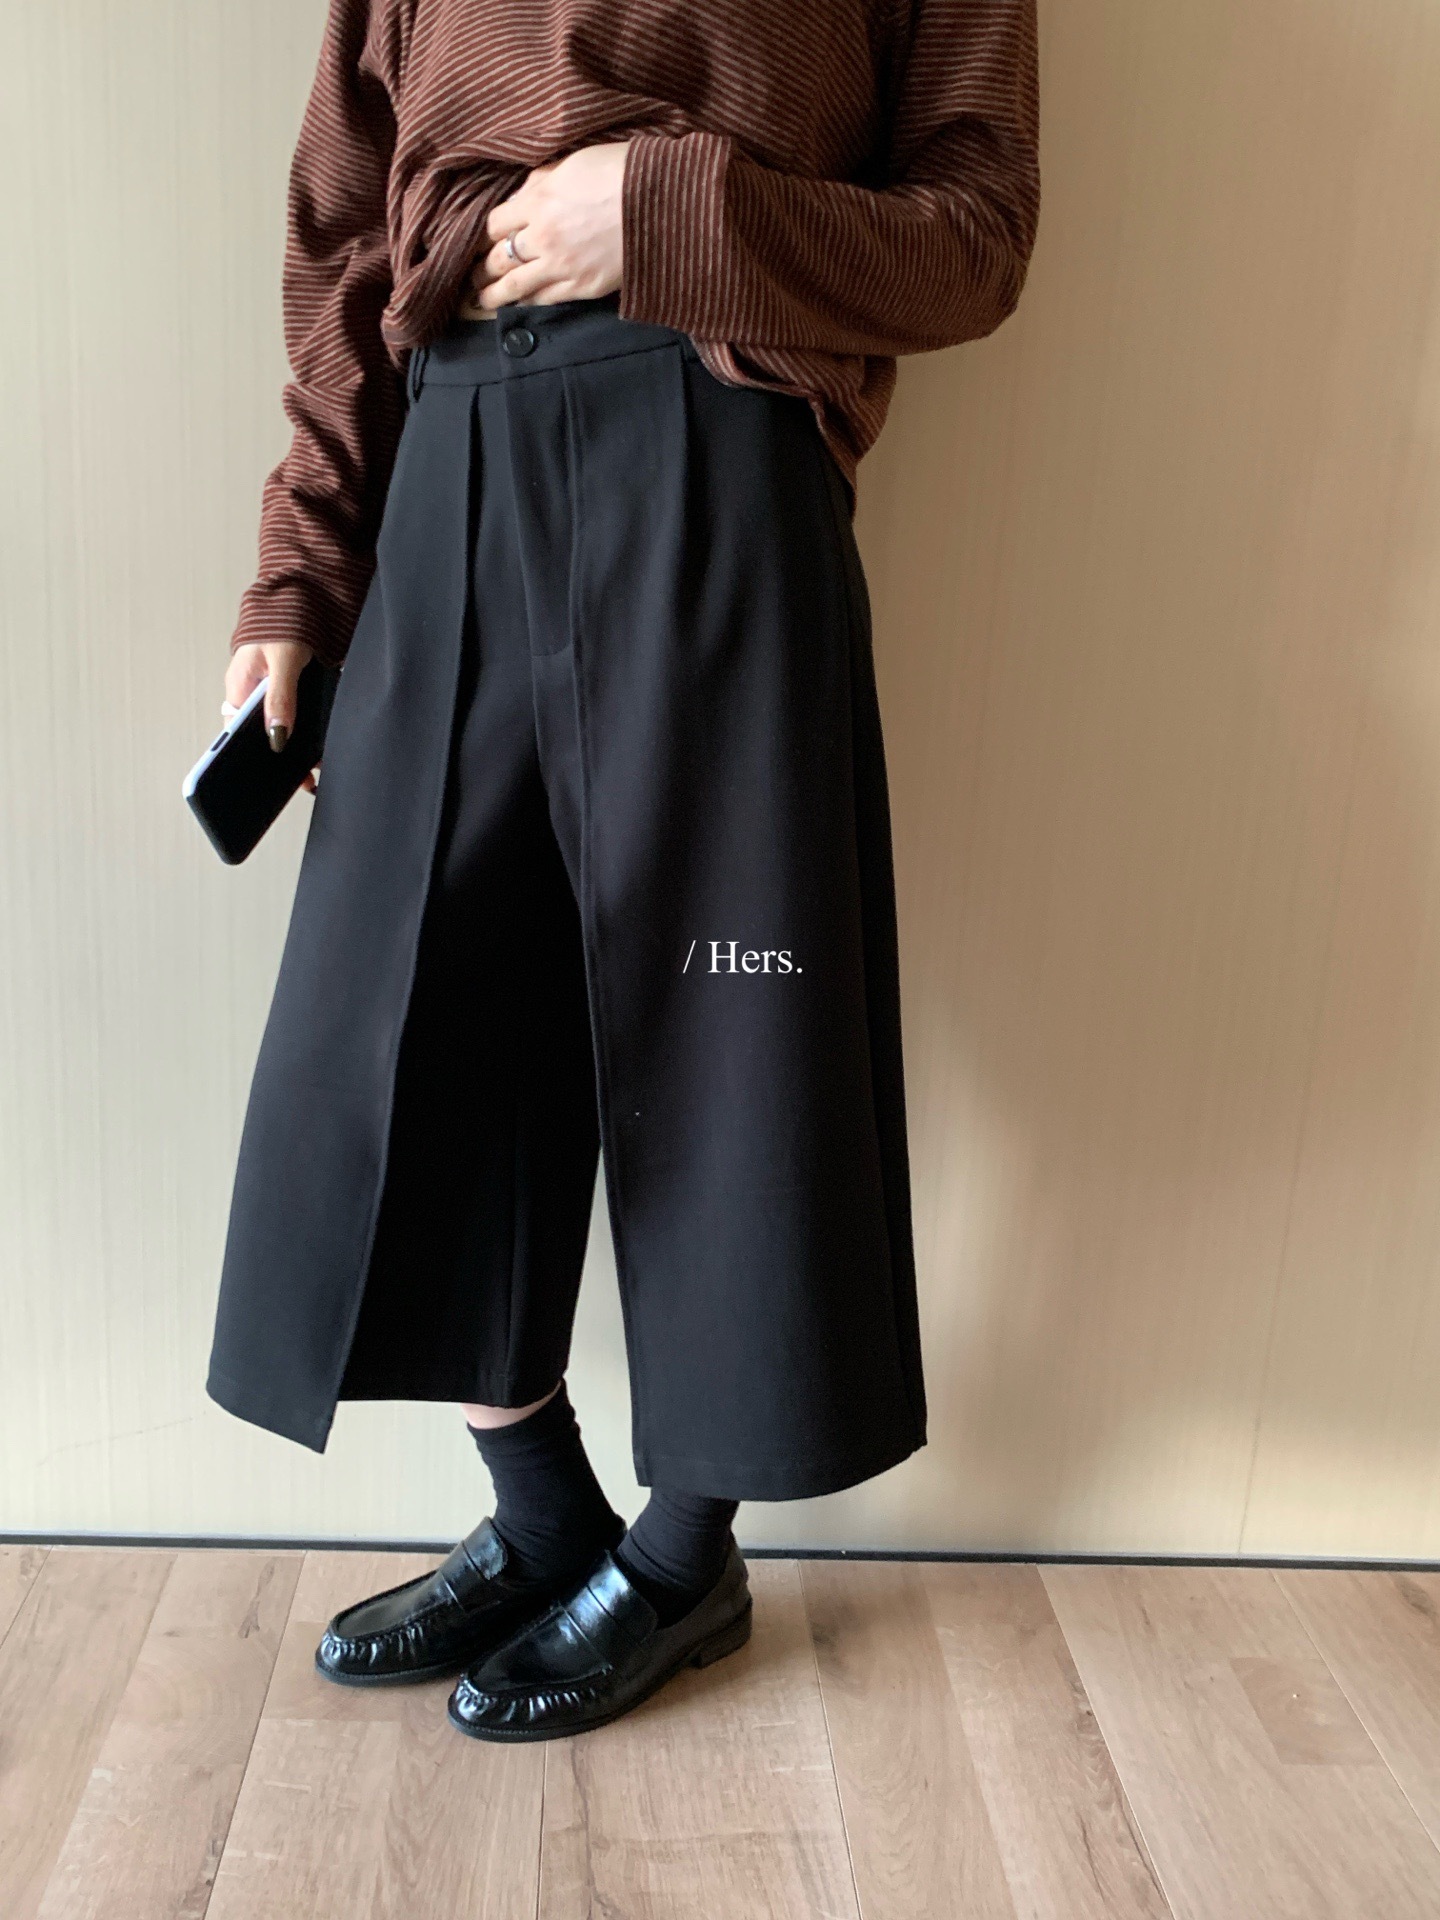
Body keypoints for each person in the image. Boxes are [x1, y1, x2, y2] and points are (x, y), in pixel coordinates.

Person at [205, 0, 1041, 1742]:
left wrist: (670, 217)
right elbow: (347, 231)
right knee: (400, 1018)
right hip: (447, 453)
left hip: (716, 443)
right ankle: (546, 1521)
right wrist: (305, 565)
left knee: (731, 1013)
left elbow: (974, 236)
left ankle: (679, 1558)